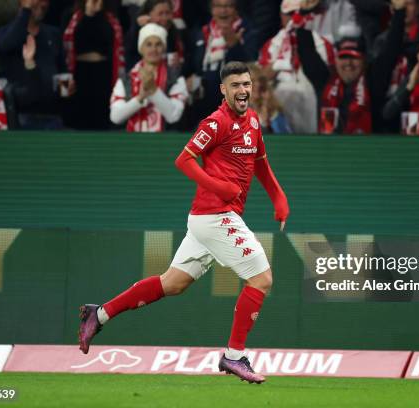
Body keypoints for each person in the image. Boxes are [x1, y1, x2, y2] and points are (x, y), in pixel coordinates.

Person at [80, 61, 289, 384]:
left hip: (207, 220)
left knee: (172, 283)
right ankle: (234, 357)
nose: (243, 90)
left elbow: (260, 162)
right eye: (235, 85)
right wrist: (219, 187)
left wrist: (278, 197)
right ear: (223, 89)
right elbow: (184, 159)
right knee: (261, 279)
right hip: (215, 216)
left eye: (246, 84)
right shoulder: (215, 122)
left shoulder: (253, 122)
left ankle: (100, 313)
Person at [258, 0, 334, 134]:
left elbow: (328, 82)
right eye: (290, 14)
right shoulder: (272, 45)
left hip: (313, 104)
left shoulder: (322, 43)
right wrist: (278, 63)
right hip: (279, 105)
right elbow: (260, 79)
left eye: (298, 13)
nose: (294, 18)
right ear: (281, 16)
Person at [0, 0, 66, 129]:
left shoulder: (53, 34)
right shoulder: (5, 32)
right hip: (21, 115)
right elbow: (6, 45)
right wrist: (26, 10)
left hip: (53, 116)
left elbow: (61, 70)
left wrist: (66, 89)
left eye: (45, 1)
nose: (42, 4)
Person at [371, 0, 419, 132]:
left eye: (409, 4)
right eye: (400, 5)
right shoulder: (380, 41)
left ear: (418, 8)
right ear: (392, 9)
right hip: (387, 114)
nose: (405, 9)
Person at [109, 23, 187, 131]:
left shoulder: (176, 78)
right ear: (141, 48)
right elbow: (115, 117)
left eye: (158, 44)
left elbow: (173, 116)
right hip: (131, 143)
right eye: (149, 44)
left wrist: (153, 90)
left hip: (165, 143)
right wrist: (140, 98)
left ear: (164, 48)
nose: (154, 49)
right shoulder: (125, 79)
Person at [63, 0, 124, 130]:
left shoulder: (111, 18)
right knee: (80, 120)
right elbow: (65, 47)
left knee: (101, 119)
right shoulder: (71, 16)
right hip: (79, 74)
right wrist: (88, 14)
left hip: (103, 74)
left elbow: (111, 44)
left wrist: (95, 14)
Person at [320, 37, 372, 135]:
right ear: (335, 60)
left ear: (364, 61)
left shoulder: (374, 84)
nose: (348, 63)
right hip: (330, 148)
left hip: (365, 148)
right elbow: (307, 53)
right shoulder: (324, 82)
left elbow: (390, 49)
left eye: (354, 57)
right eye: (343, 57)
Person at [248, 63, 291, 134]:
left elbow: (286, 141)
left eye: (260, 80)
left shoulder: (274, 115)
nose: (258, 84)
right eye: (252, 81)